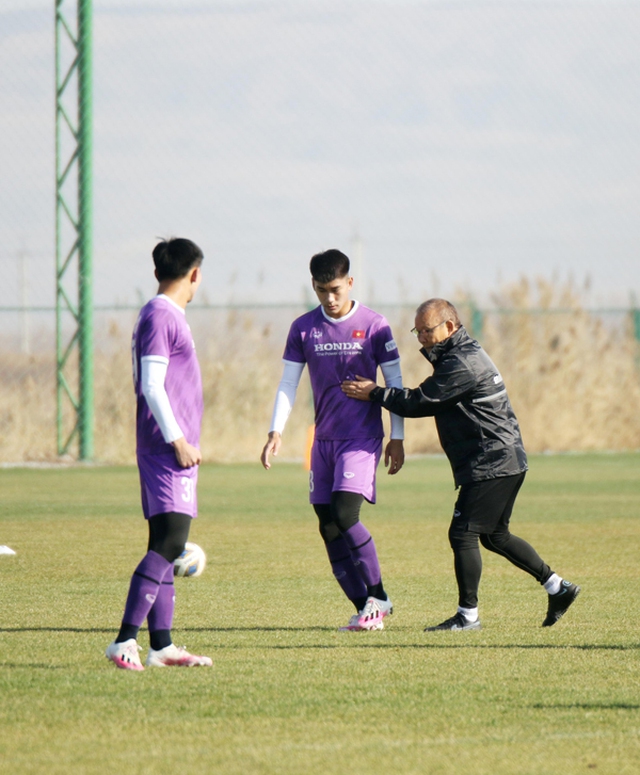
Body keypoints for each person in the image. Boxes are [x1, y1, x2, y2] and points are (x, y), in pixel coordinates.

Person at [341, 298, 580, 631]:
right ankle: (558, 587)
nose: (421, 337)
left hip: (492, 461)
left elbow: (419, 401)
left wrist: (375, 393)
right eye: (417, 330)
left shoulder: (462, 363)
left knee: (463, 533)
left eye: (427, 330)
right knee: (495, 535)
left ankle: (468, 617)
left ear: (449, 327)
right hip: (503, 459)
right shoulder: (458, 355)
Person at [260, 249, 405, 631]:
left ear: (350, 283)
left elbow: (396, 384)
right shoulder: (303, 328)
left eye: (336, 289)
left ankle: (379, 595)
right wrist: (277, 429)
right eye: (322, 290)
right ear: (314, 286)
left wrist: (398, 436)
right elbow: (289, 382)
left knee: (345, 515)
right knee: (327, 525)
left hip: (361, 436)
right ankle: (366, 609)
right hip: (323, 440)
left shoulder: (375, 325)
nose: (330, 298)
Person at [106, 238, 212, 670]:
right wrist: (178, 439)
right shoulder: (160, 314)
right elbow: (152, 385)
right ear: (195, 274)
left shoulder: (165, 315)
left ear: (157, 272)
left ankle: (162, 645)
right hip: (167, 448)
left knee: (165, 543)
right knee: (170, 541)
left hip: (169, 447)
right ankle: (124, 640)